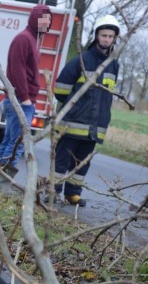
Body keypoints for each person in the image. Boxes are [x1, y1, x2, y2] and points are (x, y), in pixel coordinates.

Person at [49, 15, 121, 206]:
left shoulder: (114, 64)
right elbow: (60, 90)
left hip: (94, 127)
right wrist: (76, 107)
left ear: (114, 39)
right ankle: (53, 191)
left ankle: (73, 194)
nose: (106, 39)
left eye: (110, 36)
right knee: (62, 161)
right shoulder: (81, 60)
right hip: (71, 125)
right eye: (103, 35)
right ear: (96, 35)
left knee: (82, 163)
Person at [0, 4, 52, 175]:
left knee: (9, 141)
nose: (47, 23)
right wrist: (25, 97)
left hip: (22, 100)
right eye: (44, 18)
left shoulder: (32, 39)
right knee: (18, 143)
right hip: (20, 101)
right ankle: (2, 183)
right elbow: (16, 70)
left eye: (49, 20)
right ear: (35, 18)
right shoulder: (24, 39)